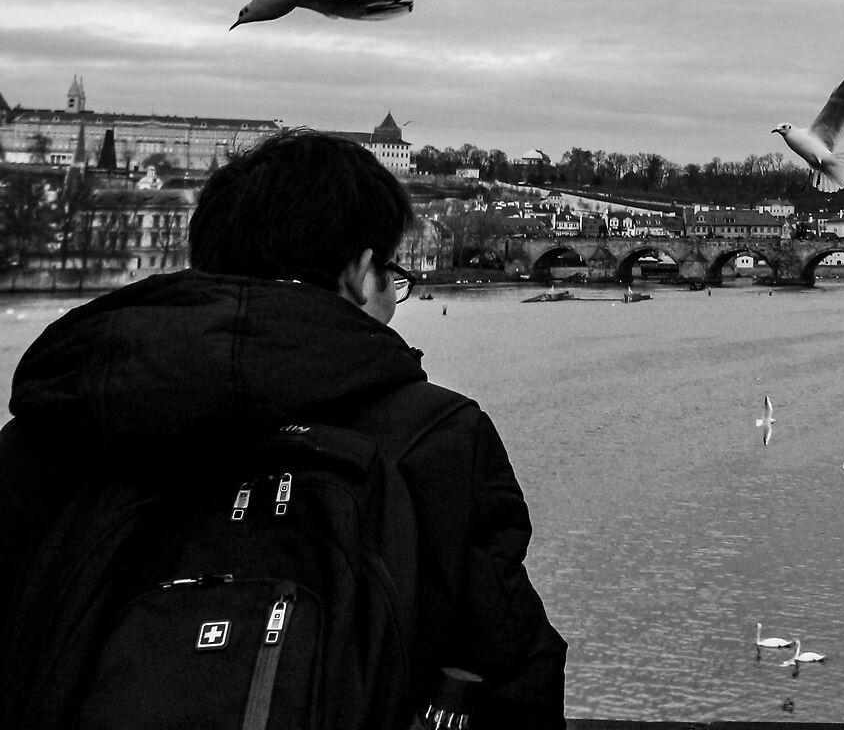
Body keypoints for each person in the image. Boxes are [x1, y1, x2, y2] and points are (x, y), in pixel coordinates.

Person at [0, 129, 567, 726]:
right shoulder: (438, 440)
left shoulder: (52, 424)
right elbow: (512, 676)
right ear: (360, 270)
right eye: (392, 276)